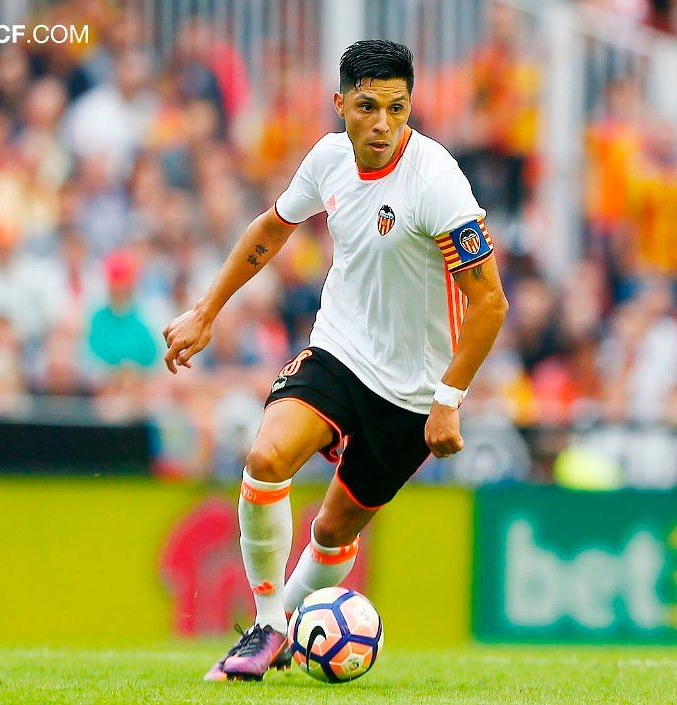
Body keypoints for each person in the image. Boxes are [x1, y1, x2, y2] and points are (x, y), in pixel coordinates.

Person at [163, 40, 508, 682]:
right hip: (340, 350)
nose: (383, 123)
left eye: (398, 109)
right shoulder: (327, 159)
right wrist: (206, 311)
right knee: (266, 458)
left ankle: (280, 637)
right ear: (340, 103)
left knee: (333, 528)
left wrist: (448, 398)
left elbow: (490, 303)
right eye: (369, 106)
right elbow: (271, 228)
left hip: (412, 391)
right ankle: (266, 626)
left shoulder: (437, 181)